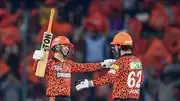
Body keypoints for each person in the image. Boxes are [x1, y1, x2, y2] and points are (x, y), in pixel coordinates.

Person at [32, 36, 115, 101]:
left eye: (68, 47)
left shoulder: (69, 64)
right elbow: (36, 70)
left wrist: (103, 64)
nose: (67, 48)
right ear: (57, 47)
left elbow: (85, 67)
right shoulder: (50, 63)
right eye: (65, 46)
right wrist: (37, 60)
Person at [75, 32, 144, 101]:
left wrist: (88, 83)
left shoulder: (120, 62)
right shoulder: (137, 61)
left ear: (120, 46)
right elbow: (141, 79)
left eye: (115, 46)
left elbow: (107, 79)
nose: (114, 48)